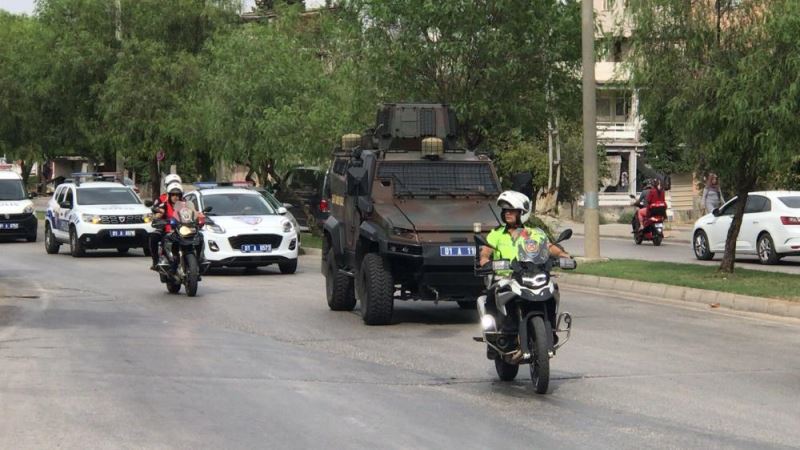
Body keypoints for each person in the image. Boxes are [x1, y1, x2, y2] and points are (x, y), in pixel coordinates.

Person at [479, 191, 570, 316]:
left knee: (552, 290)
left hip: (532, 275)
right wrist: (484, 259)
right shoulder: (496, 234)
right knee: (491, 297)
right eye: (505, 210)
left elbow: (549, 247)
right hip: (505, 278)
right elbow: (486, 250)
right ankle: (494, 332)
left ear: (522, 213)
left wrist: (562, 254)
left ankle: (551, 329)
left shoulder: (533, 233)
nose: (507, 213)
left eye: (512, 210)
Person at [149, 178, 183, 270]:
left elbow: (193, 212)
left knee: (199, 236)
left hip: (183, 229)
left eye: (177, 194)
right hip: (167, 229)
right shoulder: (163, 202)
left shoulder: (184, 203)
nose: (175, 196)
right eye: (173, 194)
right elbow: (158, 211)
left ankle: (198, 260)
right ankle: (156, 261)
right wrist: (157, 216)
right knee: (154, 237)